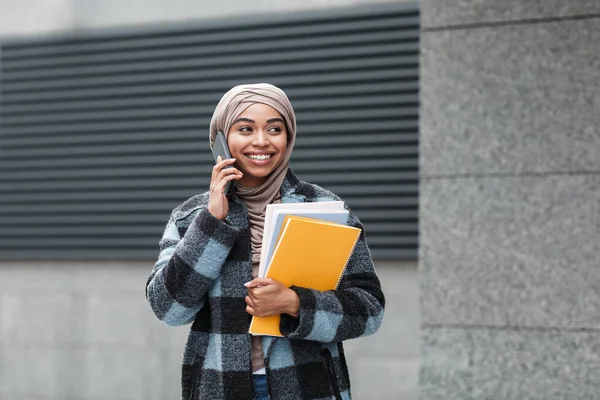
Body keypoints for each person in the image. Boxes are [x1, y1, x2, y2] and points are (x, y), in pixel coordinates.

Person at [145, 83, 385, 400]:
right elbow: (169, 309)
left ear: (289, 137)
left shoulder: (322, 209)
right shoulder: (191, 218)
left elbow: (370, 311)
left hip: (308, 387)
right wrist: (213, 221)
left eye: (275, 128)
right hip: (220, 388)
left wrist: (295, 303)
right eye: (245, 128)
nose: (262, 141)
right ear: (220, 138)